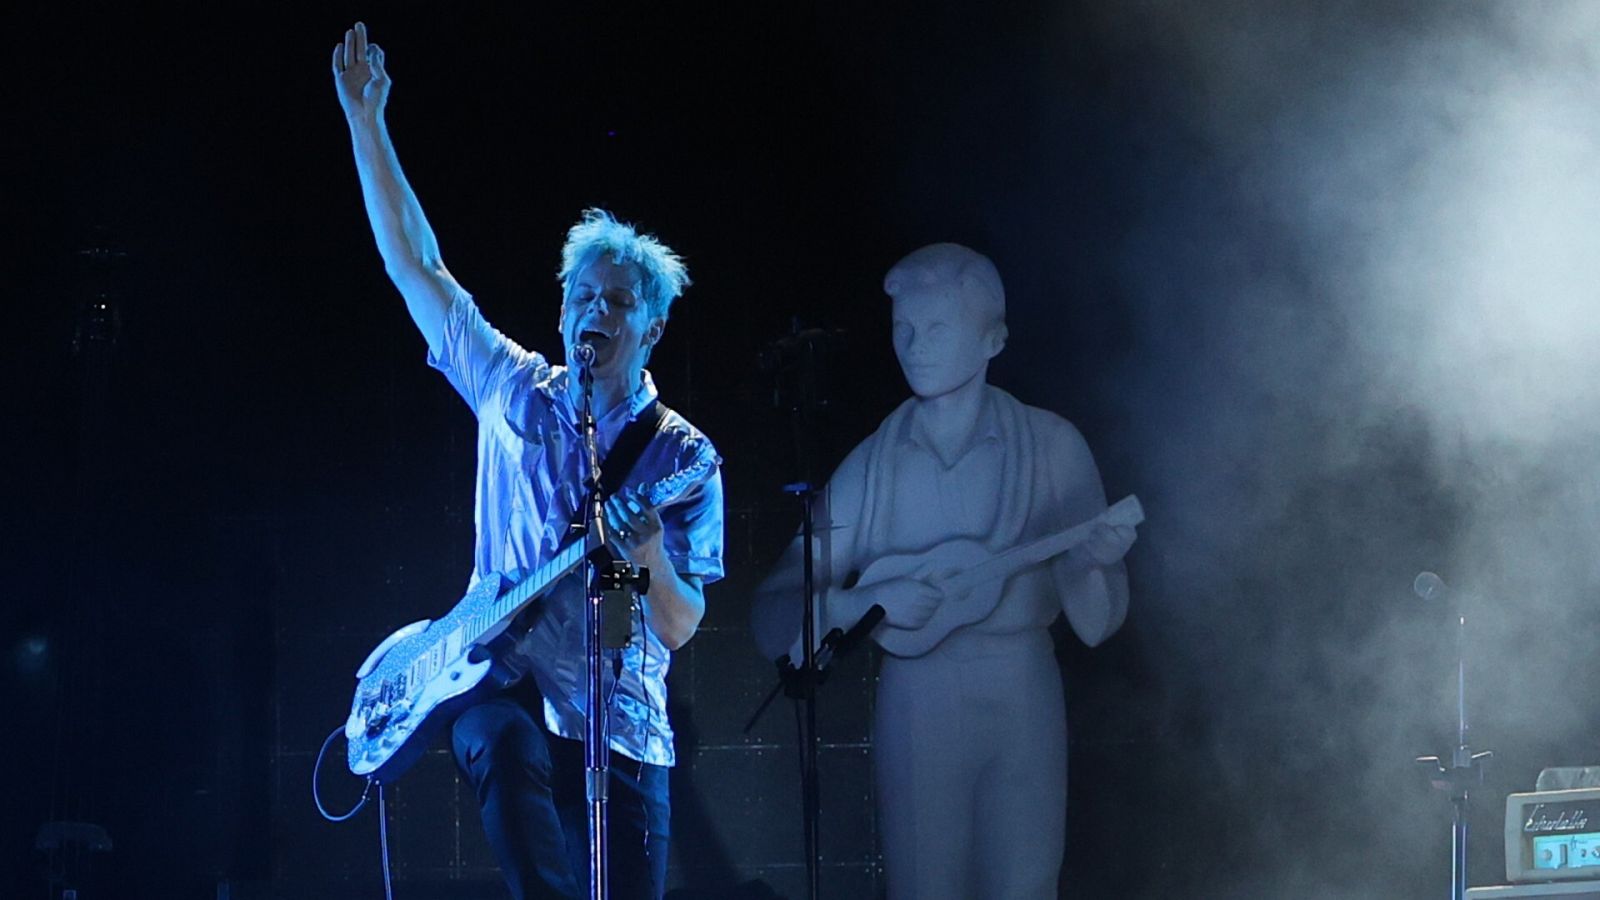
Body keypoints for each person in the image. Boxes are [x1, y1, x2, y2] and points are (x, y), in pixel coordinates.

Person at [333, 23, 724, 900]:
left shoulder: (684, 455)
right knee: (502, 743)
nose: (595, 310)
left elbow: (678, 623)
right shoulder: (512, 391)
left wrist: (649, 555)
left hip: (618, 727)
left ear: (651, 326)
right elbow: (417, 266)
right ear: (561, 307)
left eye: (617, 301)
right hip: (497, 683)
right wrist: (367, 122)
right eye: (582, 295)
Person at [752, 243, 1136, 899]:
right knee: (922, 885)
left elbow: (1099, 621)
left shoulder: (1050, 446)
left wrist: (1092, 564)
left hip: (1021, 687)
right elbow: (779, 599)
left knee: (1025, 884)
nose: (915, 346)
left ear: (993, 338)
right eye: (904, 329)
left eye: (937, 329)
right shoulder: (873, 466)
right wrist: (852, 605)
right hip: (917, 697)